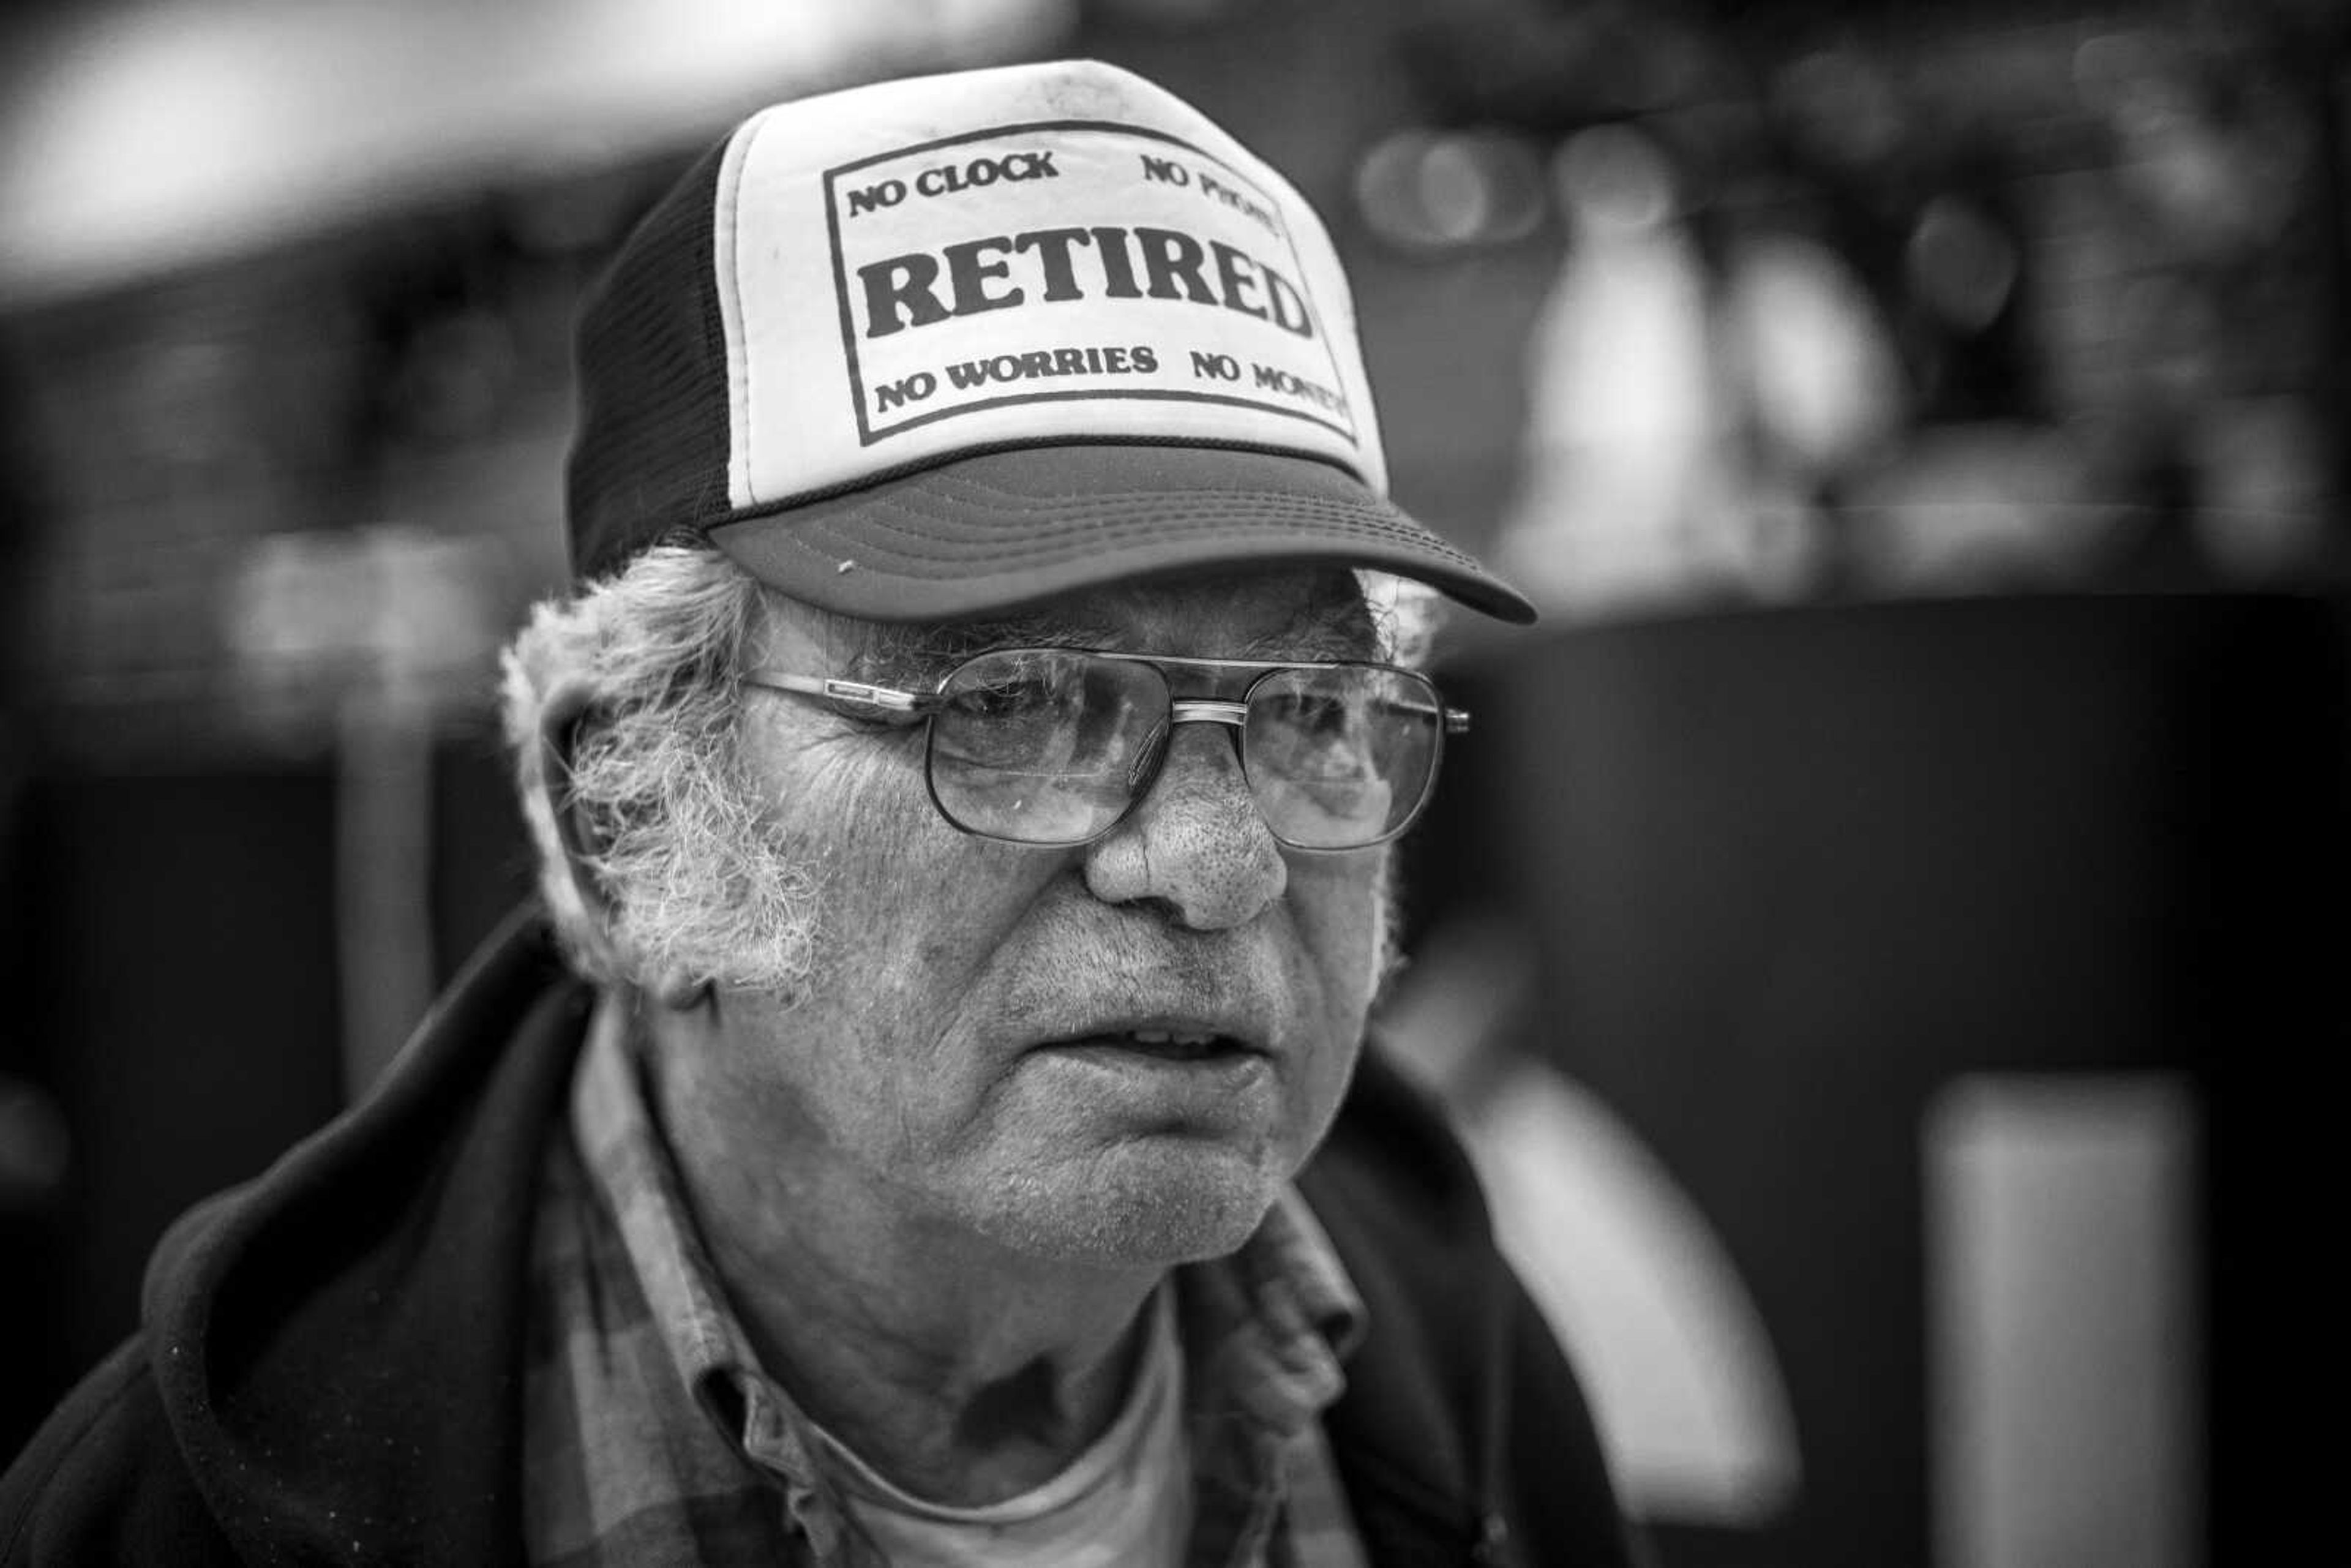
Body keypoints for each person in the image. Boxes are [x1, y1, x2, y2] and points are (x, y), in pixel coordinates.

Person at [1, 59, 1638, 1566]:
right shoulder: (184, 1516)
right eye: (1011, 706)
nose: (1220, 864)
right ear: (628, 825)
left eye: (1312, 713)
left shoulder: (1468, 1367)